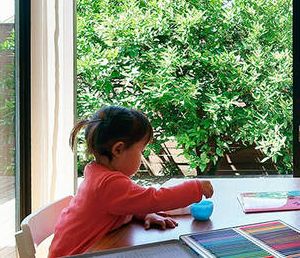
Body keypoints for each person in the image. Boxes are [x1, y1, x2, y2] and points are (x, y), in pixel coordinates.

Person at [48, 106, 213, 257]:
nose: (142, 157)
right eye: (141, 150)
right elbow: (154, 198)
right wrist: (196, 187)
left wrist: (144, 213)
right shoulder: (108, 184)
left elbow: (125, 204)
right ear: (118, 149)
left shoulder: (97, 173)